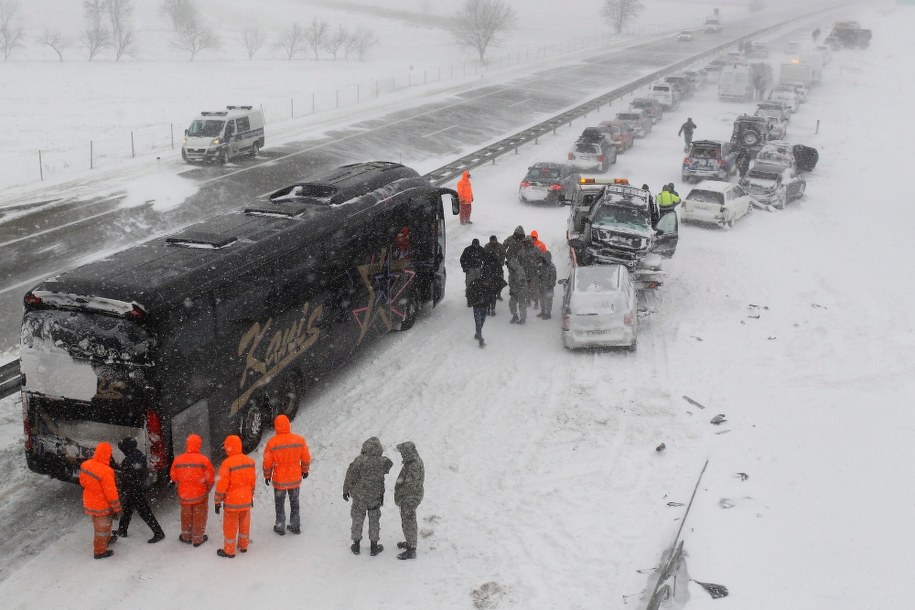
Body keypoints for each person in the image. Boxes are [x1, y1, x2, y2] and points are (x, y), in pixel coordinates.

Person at [343, 437, 393, 556]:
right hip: (375, 497)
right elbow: (389, 465)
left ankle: (356, 545)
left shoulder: (359, 460)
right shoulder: (382, 461)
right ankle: (374, 546)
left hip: (359, 496)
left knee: (357, 519)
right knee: (374, 520)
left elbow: (349, 477)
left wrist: (345, 490)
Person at [263, 414, 311, 536]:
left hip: (280, 480)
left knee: (279, 504)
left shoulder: (272, 443)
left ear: (276, 426)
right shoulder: (299, 440)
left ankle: (280, 526)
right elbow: (306, 458)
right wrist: (304, 470)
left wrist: (267, 475)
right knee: (294, 502)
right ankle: (295, 525)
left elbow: (267, 462)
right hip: (294, 479)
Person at [115, 437, 165, 544]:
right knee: (127, 509)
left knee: (145, 512)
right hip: (137, 487)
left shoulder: (128, 460)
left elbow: (128, 477)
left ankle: (158, 532)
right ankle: (122, 530)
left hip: (134, 489)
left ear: (126, 449)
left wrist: (122, 483)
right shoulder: (139, 454)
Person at [214, 435, 256, 558]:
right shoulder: (250, 462)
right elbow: (252, 483)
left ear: (228, 447)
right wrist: (251, 497)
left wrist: (217, 501)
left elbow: (222, 485)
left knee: (230, 526)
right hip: (246, 499)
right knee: (244, 523)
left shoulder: (227, 464)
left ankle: (229, 550)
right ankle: (243, 546)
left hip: (232, 502)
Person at [170, 433, 215, 547]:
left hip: (184, 495)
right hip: (200, 495)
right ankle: (197, 539)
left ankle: (186, 536)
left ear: (187, 444)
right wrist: (207, 489)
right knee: (199, 516)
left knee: (186, 515)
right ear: (199, 445)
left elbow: (173, 477)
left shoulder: (178, 460)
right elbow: (210, 479)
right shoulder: (204, 460)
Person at [79, 442, 122, 559]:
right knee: (101, 529)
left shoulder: (85, 464)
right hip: (102, 505)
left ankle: (107, 539)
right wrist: (117, 507)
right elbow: (111, 493)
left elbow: (82, 482)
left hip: (89, 501)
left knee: (101, 525)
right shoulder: (106, 471)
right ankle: (99, 551)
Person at [394, 441, 424, 561]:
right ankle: (409, 542)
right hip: (408, 497)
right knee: (407, 521)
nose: (401, 455)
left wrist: (401, 495)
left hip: (410, 499)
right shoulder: (412, 461)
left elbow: (410, 486)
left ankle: (411, 549)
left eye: (402, 452)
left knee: (409, 522)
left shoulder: (414, 465)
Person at [466, 273, 490, 347]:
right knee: (478, 322)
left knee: (482, 321)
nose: (486, 283)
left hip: (484, 306)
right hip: (477, 306)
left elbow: (490, 296)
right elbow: (468, 293)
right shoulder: (475, 285)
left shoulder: (488, 286)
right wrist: (470, 302)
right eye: (485, 282)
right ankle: (480, 338)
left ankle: (477, 334)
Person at [480, 249, 507, 316]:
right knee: (493, 296)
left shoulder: (486, 263)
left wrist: (483, 280)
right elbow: (501, 272)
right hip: (495, 282)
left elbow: (482, 272)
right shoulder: (497, 262)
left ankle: (488, 309)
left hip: (487, 281)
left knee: (487, 296)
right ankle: (492, 309)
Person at [507, 256, 530, 325]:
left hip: (522, 290)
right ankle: (515, 316)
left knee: (522, 305)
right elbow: (511, 281)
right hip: (515, 290)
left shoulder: (519, 271)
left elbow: (520, 283)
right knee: (511, 303)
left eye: (510, 265)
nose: (509, 266)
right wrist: (511, 289)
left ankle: (523, 319)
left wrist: (514, 290)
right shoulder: (512, 270)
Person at [521, 236, 541, 311]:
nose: (526, 243)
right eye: (525, 242)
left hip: (534, 273)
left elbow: (541, 259)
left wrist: (538, 268)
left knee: (535, 289)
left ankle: (536, 303)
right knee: (526, 288)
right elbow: (519, 259)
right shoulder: (522, 250)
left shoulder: (536, 250)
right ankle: (528, 301)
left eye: (527, 242)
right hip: (525, 273)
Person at [537, 251, 557, 320]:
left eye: (543, 258)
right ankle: (543, 311)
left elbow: (553, 278)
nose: (542, 260)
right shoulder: (542, 265)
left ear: (547, 258)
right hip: (542, 286)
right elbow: (539, 274)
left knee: (548, 301)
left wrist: (550, 286)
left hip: (549, 287)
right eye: (542, 258)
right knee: (542, 300)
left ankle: (548, 314)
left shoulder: (551, 267)